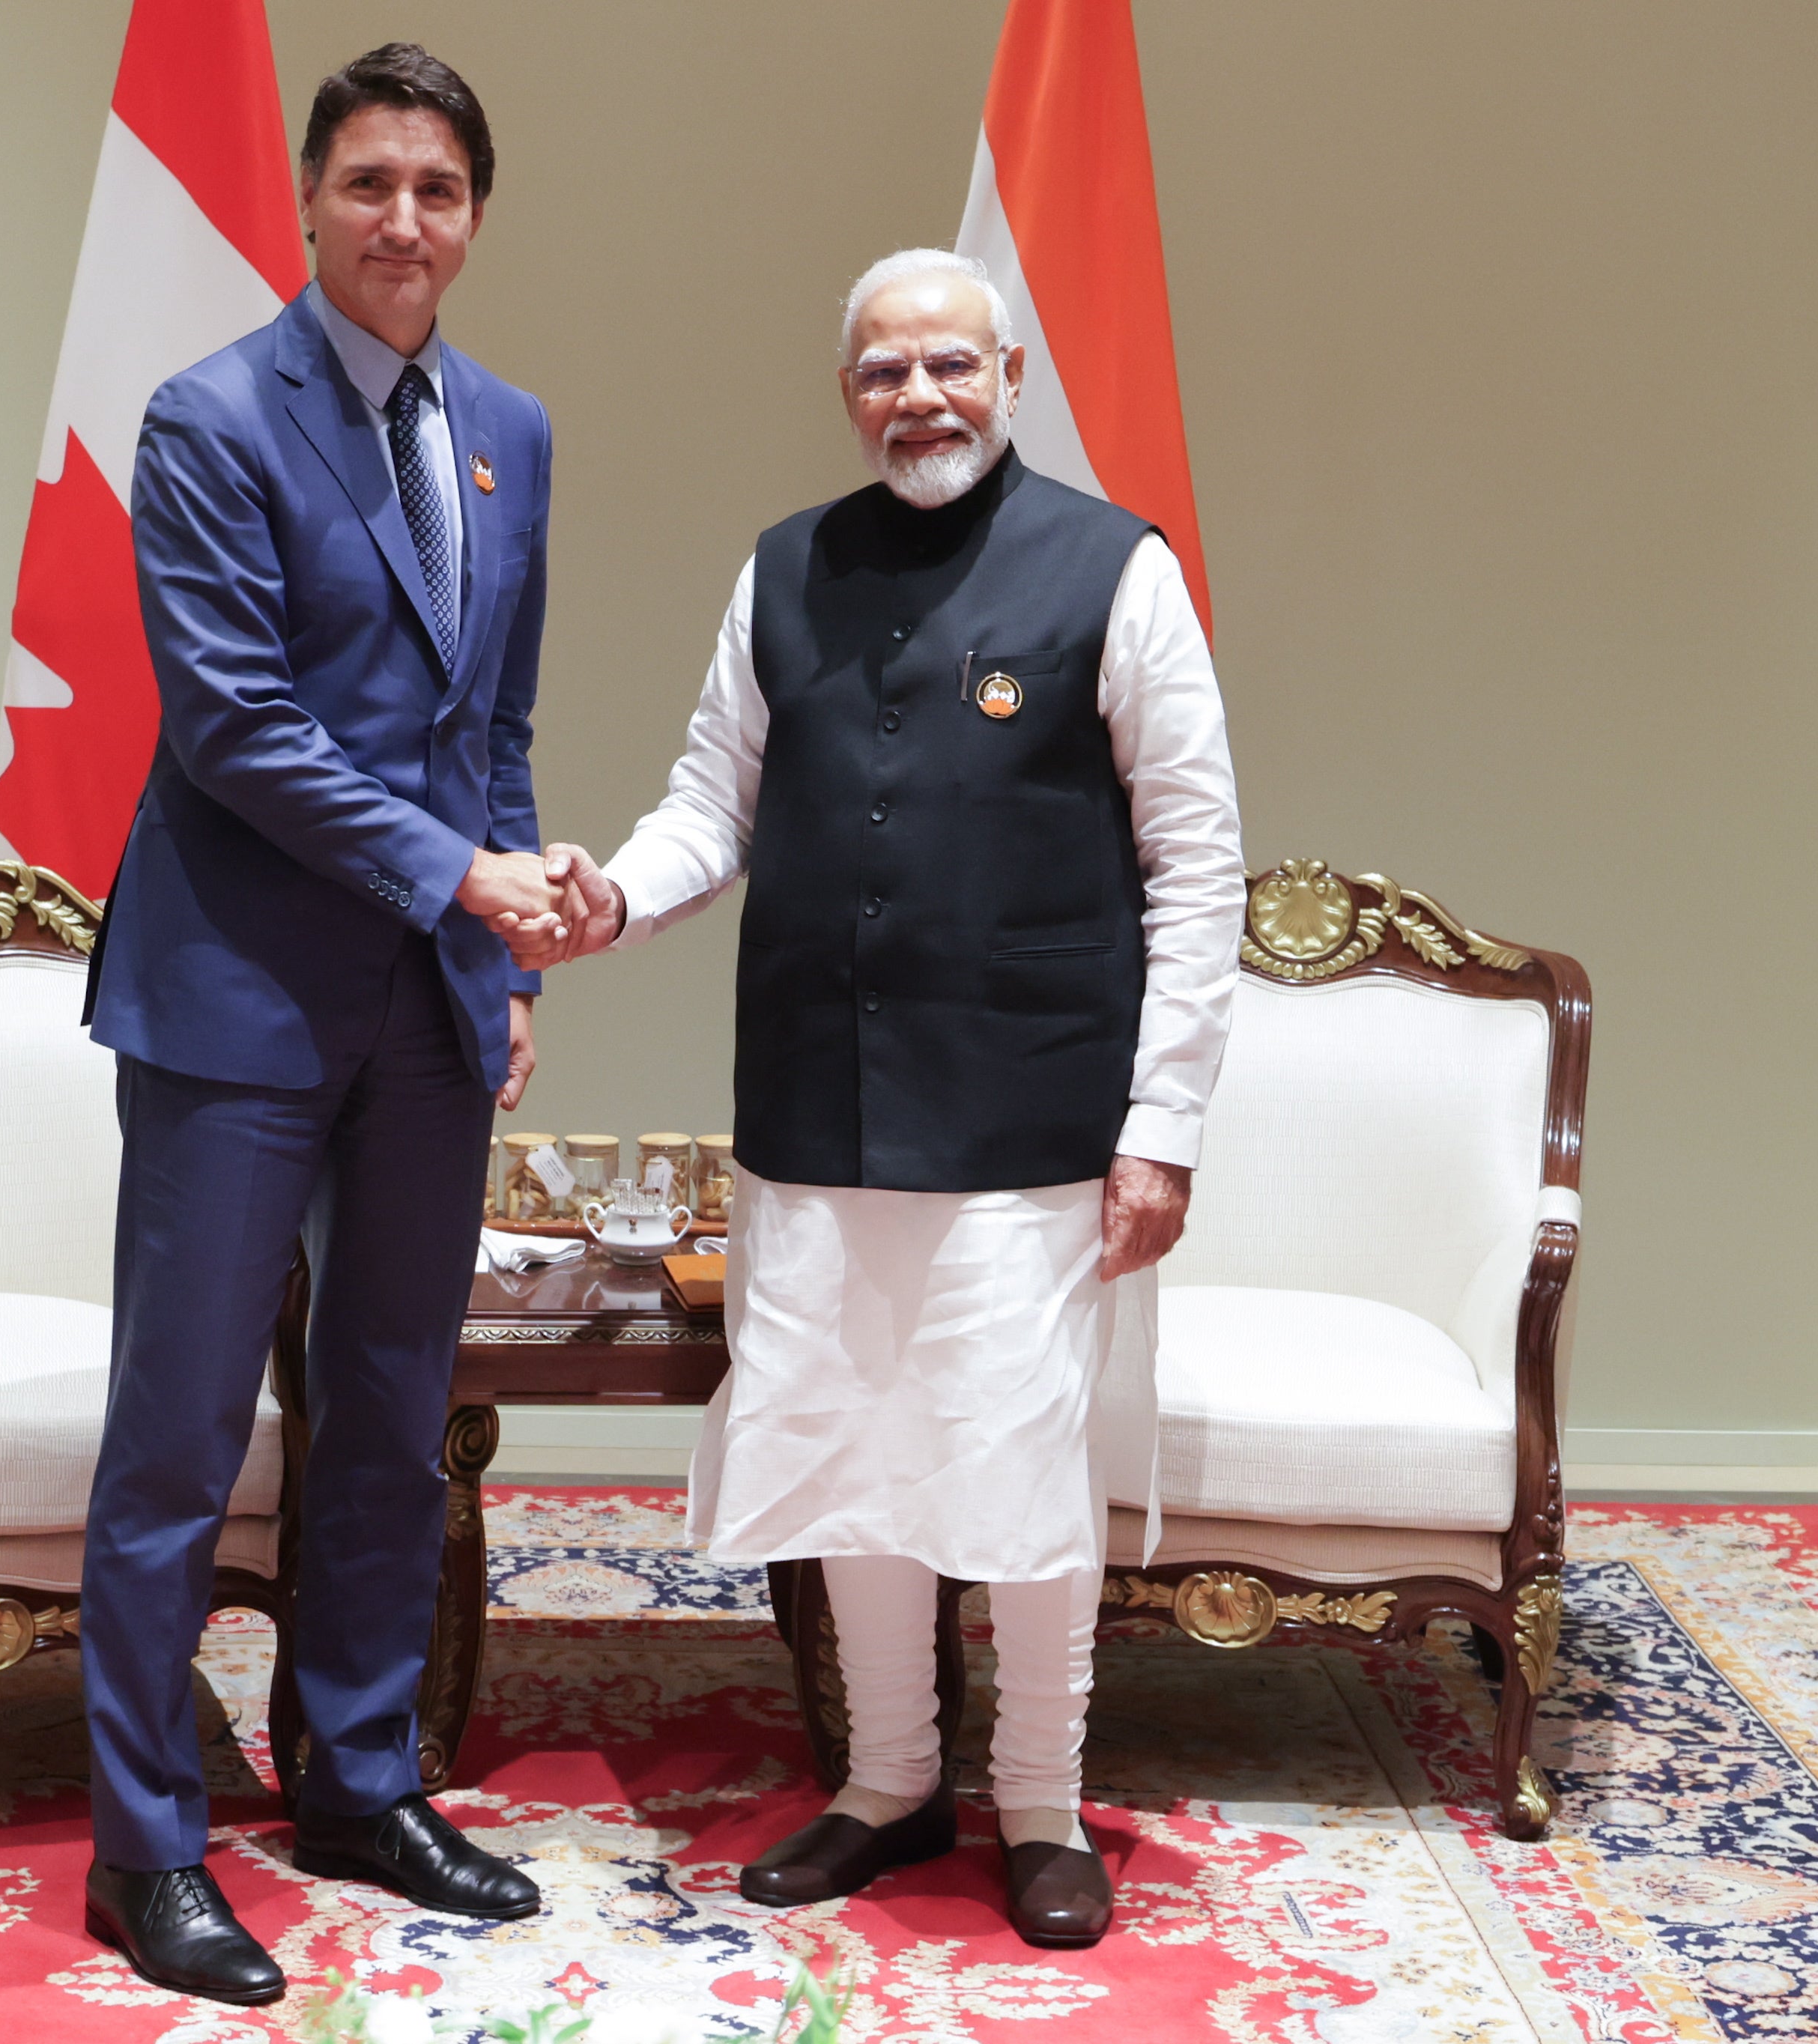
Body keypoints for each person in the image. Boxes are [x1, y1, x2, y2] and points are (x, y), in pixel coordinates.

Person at [524, 249, 1243, 1947]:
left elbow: (1197, 865)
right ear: (844, 392)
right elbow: (715, 796)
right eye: (876, 372)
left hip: (1030, 1122)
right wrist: (617, 897)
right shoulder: (786, 569)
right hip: (816, 1107)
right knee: (854, 1455)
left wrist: (1162, 1128)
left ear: (1006, 373)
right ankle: (888, 1781)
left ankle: (1045, 1804)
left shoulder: (1113, 569)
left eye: (945, 366)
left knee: (1015, 1471)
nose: (912, 398)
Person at [77, 43, 560, 2007]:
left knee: (383, 1420)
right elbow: (237, 730)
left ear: (471, 216)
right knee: (180, 1442)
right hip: (230, 1003)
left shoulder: (509, 431)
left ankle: (358, 1778)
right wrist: (463, 880)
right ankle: (147, 1844)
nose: (402, 220)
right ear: (306, 200)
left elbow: (493, 732)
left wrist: (503, 959)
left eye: (437, 189)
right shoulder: (208, 420)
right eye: (368, 182)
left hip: (429, 1018)